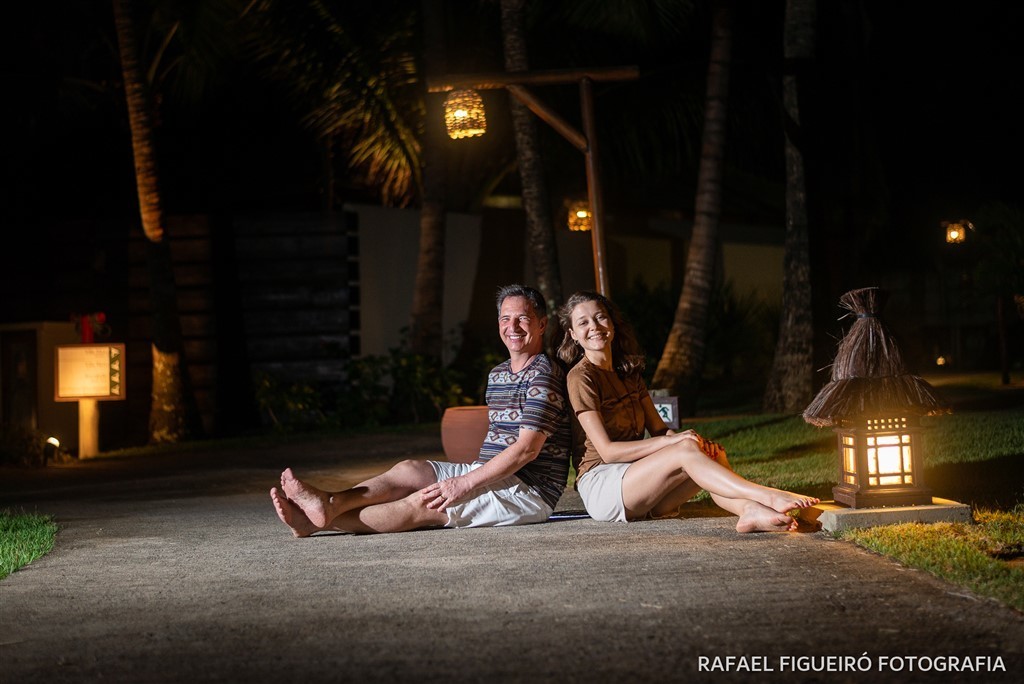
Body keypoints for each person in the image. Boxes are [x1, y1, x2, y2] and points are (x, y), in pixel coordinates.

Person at [271, 284, 572, 536]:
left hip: (528, 491)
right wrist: (468, 477)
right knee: (409, 470)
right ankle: (330, 504)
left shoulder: (544, 374)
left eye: (522, 319)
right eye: (505, 319)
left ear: (541, 324)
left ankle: (315, 521)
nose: (512, 327)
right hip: (489, 472)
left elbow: (526, 450)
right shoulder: (499, 374)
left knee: (423, 504)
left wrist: (464, 483)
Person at [556, 290, 819, 532]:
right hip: (603, 485)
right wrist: (677, 443)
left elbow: (660, 430)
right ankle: (765, 495)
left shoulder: (629, 373)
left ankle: (748, 511)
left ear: (612, 323)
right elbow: (609, 452)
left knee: (709, 451)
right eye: (583, 322)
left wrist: (692, 442)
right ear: (573, 334)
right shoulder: (581, 378)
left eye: (600, 317)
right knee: (683, 448)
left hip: (640, 482)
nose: (594, 327)